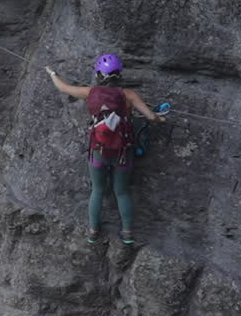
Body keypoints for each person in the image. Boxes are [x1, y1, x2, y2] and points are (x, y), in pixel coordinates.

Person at [45, 54, 163, 244]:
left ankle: (93, 231)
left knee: (98, 190)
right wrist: (160, 117)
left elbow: (63, 87)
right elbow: (150, 117)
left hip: (99, 149)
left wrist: (52, 72)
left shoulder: (90, 92)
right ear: (119, 74)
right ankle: (127, 233)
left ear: (99, 74)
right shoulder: (129, 95)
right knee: (122, 192)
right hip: (123, 152)